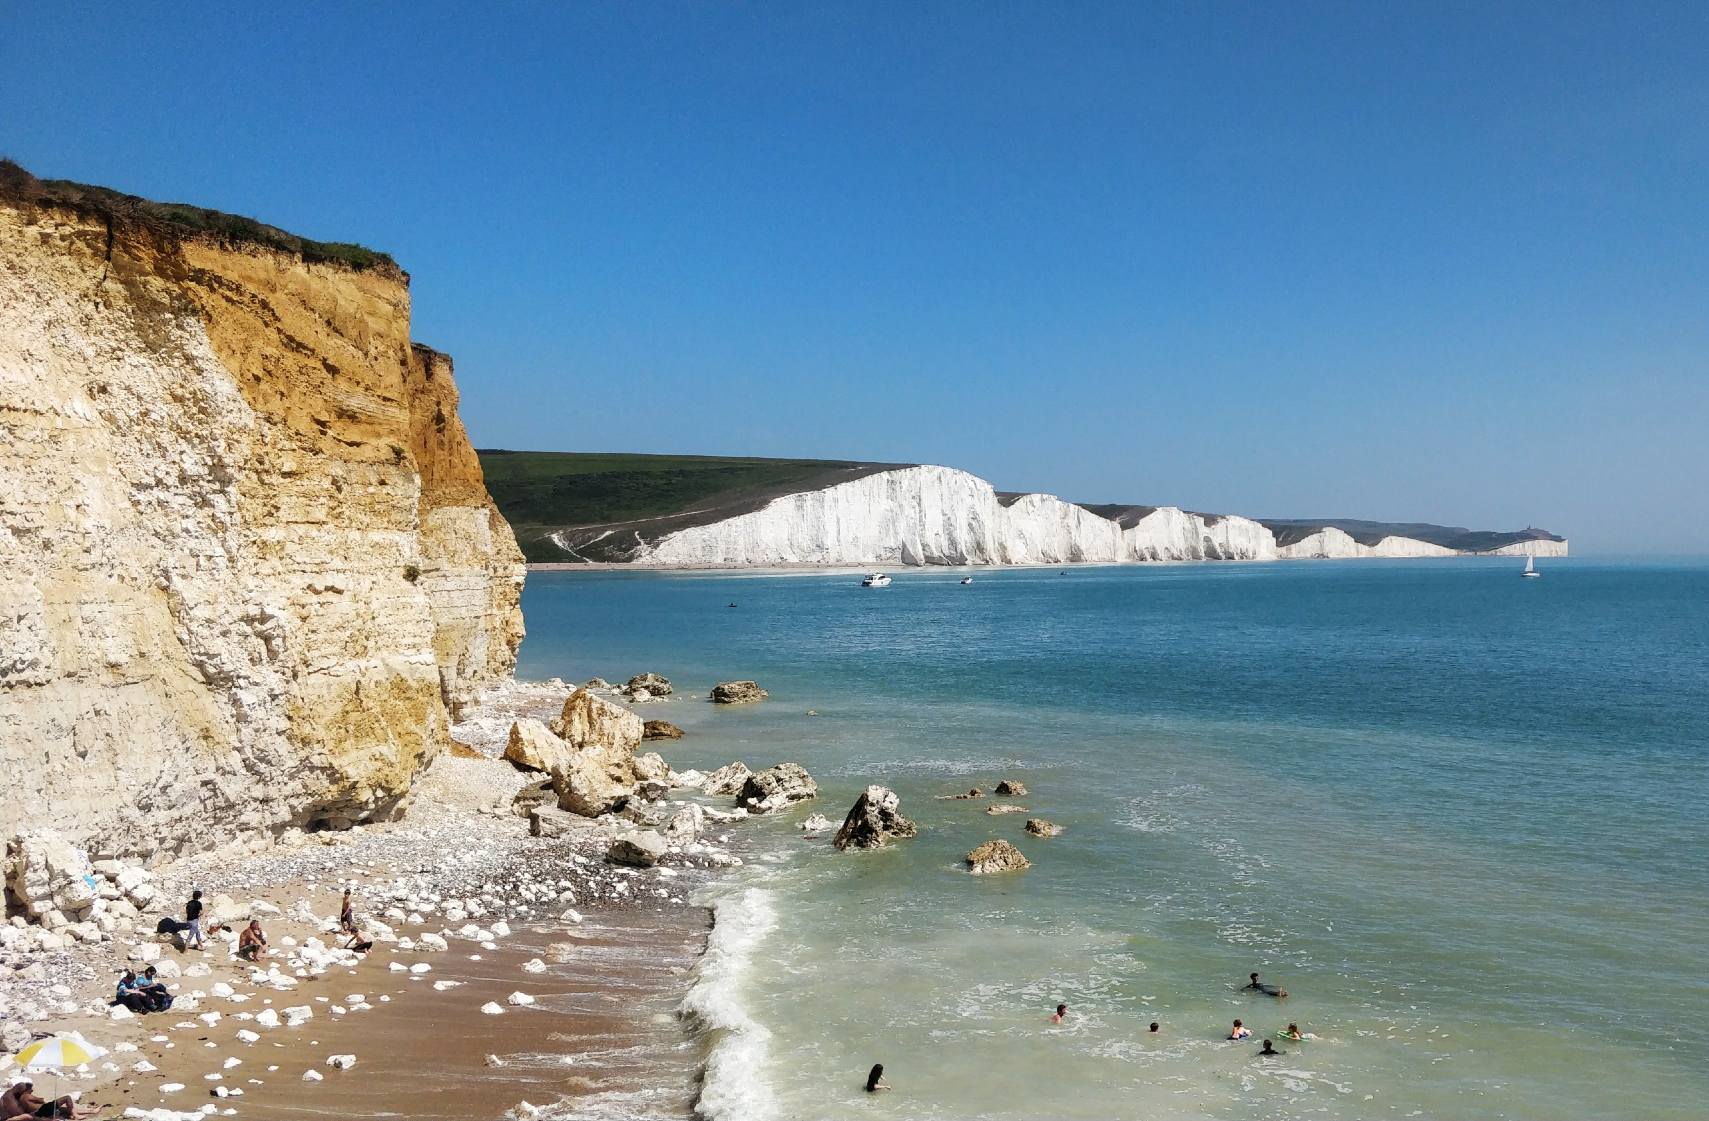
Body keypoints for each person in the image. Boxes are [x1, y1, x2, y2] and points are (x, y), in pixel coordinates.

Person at [3, 1079, 95, 1119]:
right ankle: (76, 1115)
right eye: (31, 1089)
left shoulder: (18, 1098)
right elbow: (41, 1100)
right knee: (67, 1098)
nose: (32, 1090)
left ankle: (90, 1111)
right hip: (42, 1111)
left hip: (38, 1112)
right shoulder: (27, 1096)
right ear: (26, 1090)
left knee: (62, 1109)